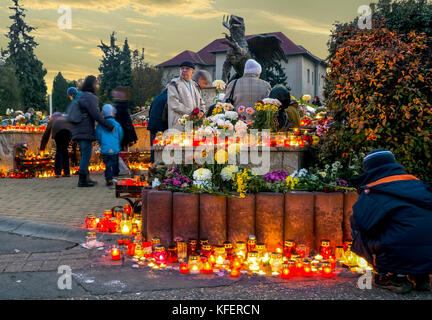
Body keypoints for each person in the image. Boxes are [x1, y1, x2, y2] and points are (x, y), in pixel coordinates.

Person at [350, 149, 432, 294]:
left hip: (399, 252)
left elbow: (362, 224)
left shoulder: (375, 190)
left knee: (358, 227)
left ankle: (394, 277)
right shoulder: (419, 184)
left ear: (369, 168)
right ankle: (421, 277)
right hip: (429, 256)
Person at [70, 75, 114, 188]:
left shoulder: (82, 96)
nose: (97, 86)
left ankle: (86, 178)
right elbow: (96, 114)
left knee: (85, 153)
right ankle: (82, 180)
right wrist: (108, 125)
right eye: (96, 83)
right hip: (85, 129)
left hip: (79, 128)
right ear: (92, 85)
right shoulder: (90, 97)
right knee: (86, 154)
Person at [167, 61, 205, 131]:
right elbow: (174, 104)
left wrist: (201, 112)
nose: (184, 70)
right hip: (179, 121)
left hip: (194, 122)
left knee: (191, 140)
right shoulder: (174, 83)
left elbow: (201, 102)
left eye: (187, 69)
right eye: (182, 68)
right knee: (180, 141)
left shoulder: (195, 85)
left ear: (192, 72)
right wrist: (192, 113)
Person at [95, 104, 123, 187]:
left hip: (105, 148)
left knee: (107, 164)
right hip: (115, 147)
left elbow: (98, 135)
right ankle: (116, 176)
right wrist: (118, 143)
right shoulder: (117, 124)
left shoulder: (101, 125)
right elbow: (120, 134)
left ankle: (109, 178)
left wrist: (101, 143)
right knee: (115, 162)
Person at [39, 112, 73, 178]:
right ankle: (67, 172)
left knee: (59, 151)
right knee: (65, 151)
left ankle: (58, 172)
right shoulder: (64, 118)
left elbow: (46, 134)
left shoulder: (52, 120)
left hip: (58, 133)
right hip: (67, 132)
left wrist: (42, 148)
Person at [147, 89, 168, 163]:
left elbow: (150, 111)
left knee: (154, 146)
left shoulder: (157, 97)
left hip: (153, 125)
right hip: (162, 126)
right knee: (161, 148)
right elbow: (167, 114)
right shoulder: (169, 98)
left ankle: (153, 164)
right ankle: (159, 165)